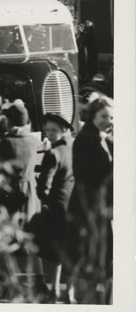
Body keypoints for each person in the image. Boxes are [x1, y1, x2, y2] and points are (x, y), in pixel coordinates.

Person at [64, 97, 113, 304]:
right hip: (88, 206)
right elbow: (83, 175)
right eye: (103, 116)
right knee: (87, 254)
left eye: (111, 117)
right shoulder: (86, 138)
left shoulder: (105, 138)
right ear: (93, 115)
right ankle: (80, 296)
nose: (108, 121)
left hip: (100, 206)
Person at [33, 113, 74, 302]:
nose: (49, 133)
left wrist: (43, 197)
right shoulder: (73, 147)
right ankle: (70, 292)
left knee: (53, 252)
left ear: (64, 130)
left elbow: (44, 187)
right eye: (47, 129)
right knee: (70, 250)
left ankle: (54, 289)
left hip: (55, 206)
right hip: (72, 204)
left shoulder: (53, 153)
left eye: (53, 130)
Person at [0, 100, 40, 222]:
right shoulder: (33, 141)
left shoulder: (5, 142)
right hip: (30, 187)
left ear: (9, 121)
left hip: (12, 189)